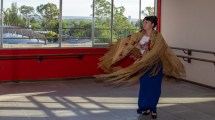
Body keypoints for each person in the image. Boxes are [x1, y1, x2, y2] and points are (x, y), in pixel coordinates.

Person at [95, 16, 185, 119]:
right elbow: (130, 44)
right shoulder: (139, 35)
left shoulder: (158, 37)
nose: (144, 24)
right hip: (144, 65)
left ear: (152, 24)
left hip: (155, 65)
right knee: (144, 87)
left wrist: (148, 55)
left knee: (154, 88)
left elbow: (160, 50)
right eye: (144, 22)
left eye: (147, 22)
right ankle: (145, 107)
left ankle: (153, 108)